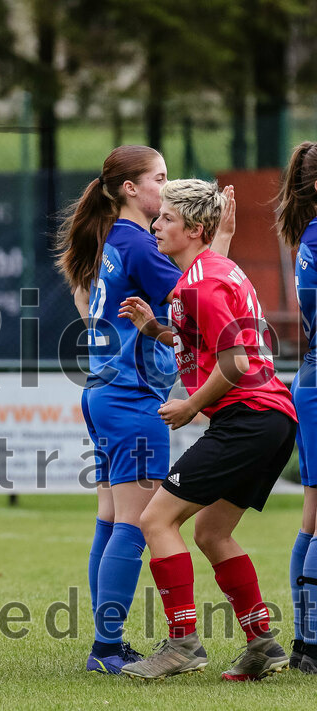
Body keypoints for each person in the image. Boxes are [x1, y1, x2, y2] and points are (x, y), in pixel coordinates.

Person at [54, 146, 233, 674]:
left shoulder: (116, 238)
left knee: (111, 520)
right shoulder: (139, 245)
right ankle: (107, 648)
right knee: (134, 524)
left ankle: (106, 643)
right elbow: (198, 301)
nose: (167, 184)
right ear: (131, 188)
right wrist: (219, 239)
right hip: (131, 398)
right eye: (159, 177)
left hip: (105, 392)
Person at [118, 179, 296, 681]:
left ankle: (182, 643)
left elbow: (235, 361)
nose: (156, 225)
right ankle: (262, 642)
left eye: (167, 219)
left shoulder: (200, 283)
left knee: (155, 521)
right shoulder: (212, 269)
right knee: (212, 531)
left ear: (194, 229)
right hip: (271, 420)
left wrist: (190, 405)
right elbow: (198, 335)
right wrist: (154, 328)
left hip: (248, 418)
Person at [276, 141, 317, 672]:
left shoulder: (309, 236)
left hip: (309, 378)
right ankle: (311, 642)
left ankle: (307, 644)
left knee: (312, 515)